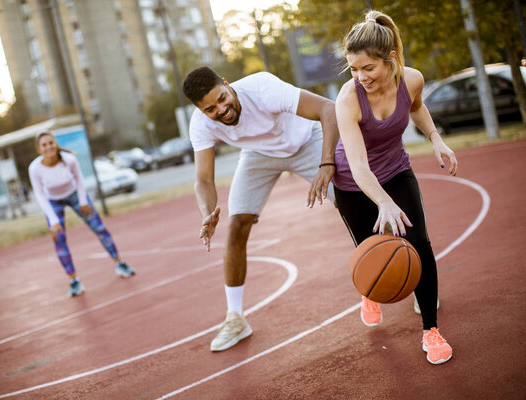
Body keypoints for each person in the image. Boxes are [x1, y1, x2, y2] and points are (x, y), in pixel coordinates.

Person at [330, 10, 458, 364]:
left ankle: (431, 331)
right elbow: (357, 165)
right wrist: (383, 202)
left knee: (418, 242)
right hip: (353, 184)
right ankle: (370, 290)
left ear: (390, 59)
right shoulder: (348, 98)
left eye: (367, 68)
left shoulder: (412, 79)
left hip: (396, 169)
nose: (360, 76)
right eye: (353, 69)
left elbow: (417, 107)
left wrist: (435, 138)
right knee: (369, 250)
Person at [182, 66, 339, 352]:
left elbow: (328, 109)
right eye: (210, 109)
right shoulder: (201, 124)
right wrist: (207, 212)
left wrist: (327, 162)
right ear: (200, 110)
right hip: (259, 155)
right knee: (235, 224)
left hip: (307, 141)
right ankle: (235, 318)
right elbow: (203, 179)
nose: (221, 109)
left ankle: (409, 274)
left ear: (228, 84)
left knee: (356, 203)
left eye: (222, 98)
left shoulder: (262, 88)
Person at [28, 132, 135, 297]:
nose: (48, 147)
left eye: (51, 143)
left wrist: (83, 201)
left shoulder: (69, 159)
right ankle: (74, 281)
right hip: (53, 201)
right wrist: (53, 220)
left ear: (55, 144)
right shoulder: (35, 168)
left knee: (99, 228)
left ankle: (120, 264)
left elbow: (79, 180)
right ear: (38, 149)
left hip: (74, 195)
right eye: (44, 145)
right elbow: (40, 194)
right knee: (59, 238)